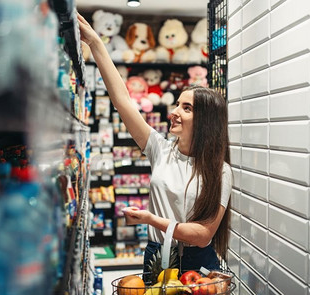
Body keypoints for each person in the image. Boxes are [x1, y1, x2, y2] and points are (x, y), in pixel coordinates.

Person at [77, 14, 232, 274]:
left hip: (199, 263)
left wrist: (151, 220)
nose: (174, 111)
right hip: (158, 255)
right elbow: (123, 101)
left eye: (186, 108)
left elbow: (203, 235)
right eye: (177, 104)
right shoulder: (160, 149)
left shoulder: (220, 171)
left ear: (206, 121)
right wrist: (95, 42)